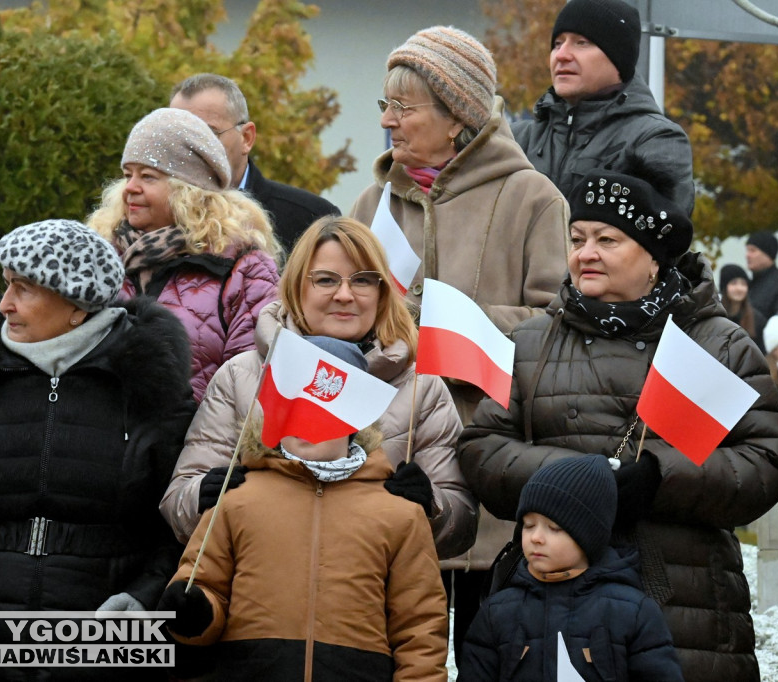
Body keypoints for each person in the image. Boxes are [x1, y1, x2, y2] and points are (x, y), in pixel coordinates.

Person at [459, 169, 778, 681]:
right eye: (577, 238)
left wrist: (659, 478)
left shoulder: (716, 344)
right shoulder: (530, 343)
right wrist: (579, 483)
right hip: (549, 611)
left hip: (688, 613)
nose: (585, 253)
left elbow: (766, 461)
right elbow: (484, 449)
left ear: (654, 256)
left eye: (607, 239)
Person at [348, 25, 569, 654]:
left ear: (457, 117)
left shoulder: (533, 198)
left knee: (487, 659)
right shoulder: (372, 203)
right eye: (384, 106)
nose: (388, 121)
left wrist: (455, 322)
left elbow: (559, 325)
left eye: (404, 107)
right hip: (387, 468)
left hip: (490, 478)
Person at [160, 216, 477, 564]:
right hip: (261, 586)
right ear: (298, 287)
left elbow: (461, 528)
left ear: (382, 291)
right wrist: (201, 496)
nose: (344, 295)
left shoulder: (422, 388)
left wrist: (431, 504)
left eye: (362, 281)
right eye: (326, 280)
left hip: (370, 593)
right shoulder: (241, 376)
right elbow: (179, 507)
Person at [0, 220, 194, 679]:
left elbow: (178, 525)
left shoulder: (150, 388)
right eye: (6, 285)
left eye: (23, 289)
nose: (5, 304)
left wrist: (144, 598)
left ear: (78, 306)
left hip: (99, 645)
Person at [159, 341, 448, 681]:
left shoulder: (399, 512)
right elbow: (205, 587)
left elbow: (420, 626)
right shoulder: (236, 499)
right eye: (292, 407)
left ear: (354, 418)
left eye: (323, 410)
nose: (305, 422)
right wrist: (193, 612)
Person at [88, 107, 282, 403]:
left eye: (148, 176)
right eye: (127, 174)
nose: (130, 188)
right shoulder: (100, 255)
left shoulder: (244, 267)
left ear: (190, 189)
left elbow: (247, 385)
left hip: (196, 443)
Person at [459, 456, 684, 681]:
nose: (536, 537)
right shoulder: (497, 612)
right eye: (528, 525)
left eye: (554, 528)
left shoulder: (634, 613)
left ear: (589, 536)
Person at [510, 0, 695, 217]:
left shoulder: (657, 140)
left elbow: (658, 240)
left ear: (618, 59)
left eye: (582, 42)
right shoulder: (516, 139)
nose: (562, 55)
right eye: (558, 44)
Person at [170, 73, 340, 253]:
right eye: (178, 137)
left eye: (209, 134)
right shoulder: (149, 217)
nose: (191, 148)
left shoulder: (311, 219)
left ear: (246, 138)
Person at [745, 230, 778, 320]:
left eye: (753, 250)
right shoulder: (749, 283)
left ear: (768, 254)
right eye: (747, 250)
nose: (747, 255)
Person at [718, 263, 764, 351]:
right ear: (724, 287)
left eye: (743, 284)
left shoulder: (757, 319)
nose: (739, 288)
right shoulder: (716, 315)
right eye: (733, 283)